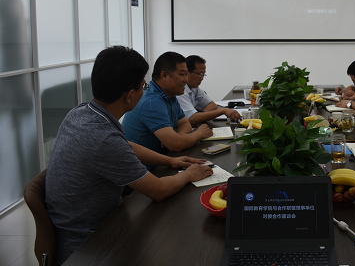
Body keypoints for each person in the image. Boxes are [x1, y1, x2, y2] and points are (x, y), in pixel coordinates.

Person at [45, 46, 214, 265]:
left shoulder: (82, 112)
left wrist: (170, 160)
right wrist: (189, 174)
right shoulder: (103, 139)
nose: (145, 91)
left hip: (84, 226)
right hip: (90, 244)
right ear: (130, 96)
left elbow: (125, 144)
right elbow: (159, 191)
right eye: (143, 86)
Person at [123, 51, 213, 162]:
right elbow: (175, 145)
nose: (186, 80)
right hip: (147, 167)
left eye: (186, 74)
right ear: (164, 75)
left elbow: (185, 124)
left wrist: (175, 137)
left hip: (164, 159)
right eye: (182, 74)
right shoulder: (152, 102)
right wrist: (199, 133)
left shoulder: (170, 96)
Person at [177, 55, 241, 126]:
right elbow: (192, 119)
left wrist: (201, 116)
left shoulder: (194, 88)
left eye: (203, 75)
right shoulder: (180, 92)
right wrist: (222, 110)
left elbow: (212, 105)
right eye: (200, 74)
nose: (202, 78)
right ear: (187, 72)